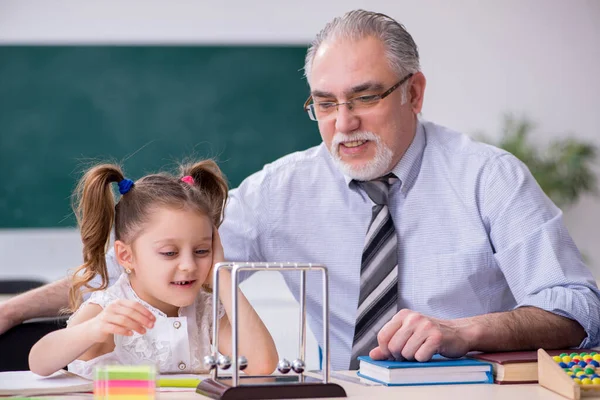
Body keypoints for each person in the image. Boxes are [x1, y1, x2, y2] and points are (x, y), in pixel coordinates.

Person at [2, 10, 599, 372]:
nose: (343, 123)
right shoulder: (281, 188)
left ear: (414, 93)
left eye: (365, 97)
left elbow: (578, 309)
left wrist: (467, 331)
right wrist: (14, 309)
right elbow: (142, 267)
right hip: (343, 392)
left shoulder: (489, 177)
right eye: (324, 103)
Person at [27, 161, 278, 378]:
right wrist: (95, 328)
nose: (189, 265)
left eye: (202, 251)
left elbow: (262, 364)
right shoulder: (108, 311)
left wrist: (222, 273)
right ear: (126, 256)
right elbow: (39, 363)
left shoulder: (206, 311)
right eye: (169, 253)